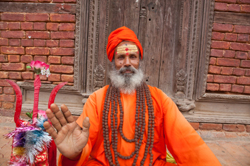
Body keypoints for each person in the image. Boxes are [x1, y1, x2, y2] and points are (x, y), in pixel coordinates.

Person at [43, 26, 221, 166]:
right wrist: (73, 154)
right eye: (121, 57)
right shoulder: (97, 99)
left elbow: (187, 143)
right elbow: (81, 141)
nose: (127, 63)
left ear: (139, 61)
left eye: (133, 57)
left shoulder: (159, 98)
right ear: (113, 62)